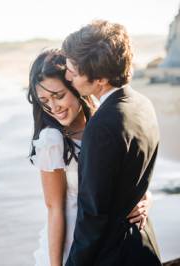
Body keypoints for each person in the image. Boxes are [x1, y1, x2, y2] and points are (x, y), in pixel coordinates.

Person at [27, 48, 152, 266]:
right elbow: (54, 209)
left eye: (59, 96)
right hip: (75, 243)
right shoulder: (52, 140)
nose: (53, 107)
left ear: (75, 86)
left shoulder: (103, 123)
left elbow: (130, 174)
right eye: (44, 100)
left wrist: (145, 199)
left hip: (112, 241)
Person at [62, 20, 161, 265]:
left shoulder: (102, 126)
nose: (67, 76)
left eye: (73, 71)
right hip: (145, 245)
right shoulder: (143, 104)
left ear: (100, 80)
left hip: (115, 256)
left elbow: (94, 214)